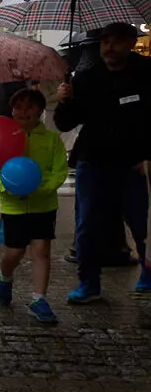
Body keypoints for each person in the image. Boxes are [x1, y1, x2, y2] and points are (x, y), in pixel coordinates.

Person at [54, 22, 151, 302]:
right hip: (94, 162)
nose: (109, 47)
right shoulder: (86, 78)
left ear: (131, 43)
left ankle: (148, 272)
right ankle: (88, 283)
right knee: (88, 225)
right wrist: (65, 101)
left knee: (143, 223)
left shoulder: (145, 74)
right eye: (104, 41)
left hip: (135, 164)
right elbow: (65, 122)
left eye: (116, 41)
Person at [0, 89, 68, 323]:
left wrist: (44, 187)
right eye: (18, 107)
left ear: (40, 110)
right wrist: (4, 187)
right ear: (11, 110)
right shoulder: (3, 136)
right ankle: (5, 276)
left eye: (29, 107)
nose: (23, 112)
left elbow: (59, 170)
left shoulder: (52, 139)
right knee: (14, 252)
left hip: (44, 206)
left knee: (41, 251)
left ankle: (38, 299)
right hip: (13, 208)